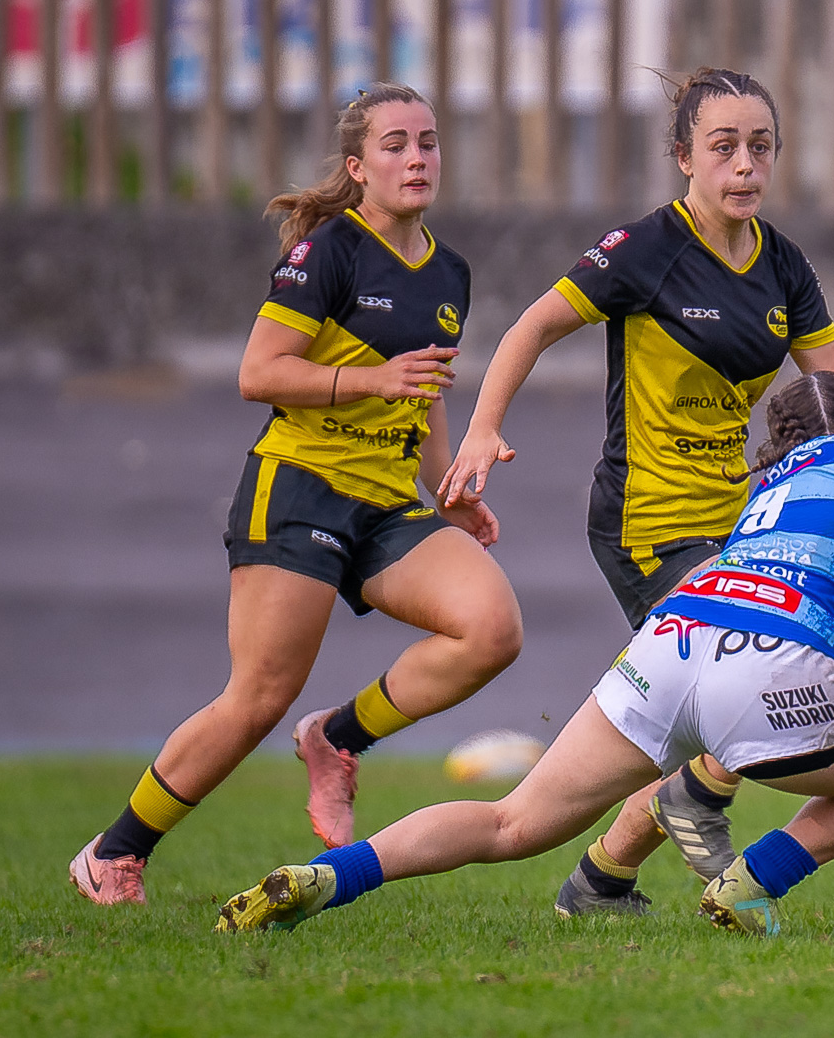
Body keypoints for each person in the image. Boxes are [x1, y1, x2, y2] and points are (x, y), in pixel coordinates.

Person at [216, 371, 834, 937]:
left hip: (673, 638)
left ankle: (326, 879)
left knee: (512, 823)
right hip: (764, 667)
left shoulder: (769, 490)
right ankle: (748, 878)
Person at [69, 83, 524, 905]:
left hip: (387, 502)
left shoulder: (449, 271)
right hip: (300, 491)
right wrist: (369, 379)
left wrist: (448, 484)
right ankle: (114, 850)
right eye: (395, 144)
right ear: (358, 167)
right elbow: (260, 372)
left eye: (427, 141)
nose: (417, 157)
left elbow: (423, 390)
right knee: (257, 697)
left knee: (491, 629)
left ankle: (336, 737)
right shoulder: (328, 253)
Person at [436, 68, 834, 913]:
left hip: (736, 523)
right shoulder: (647, 250)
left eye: (760, 147)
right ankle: (674, 812)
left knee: (723, 705)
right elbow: (534, 323)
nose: (745, 165)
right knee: (823, 664)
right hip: (648, 521)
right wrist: (483, 428)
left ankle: (604, 877)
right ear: (683, 157)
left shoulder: (782, 263)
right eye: (723, 148)